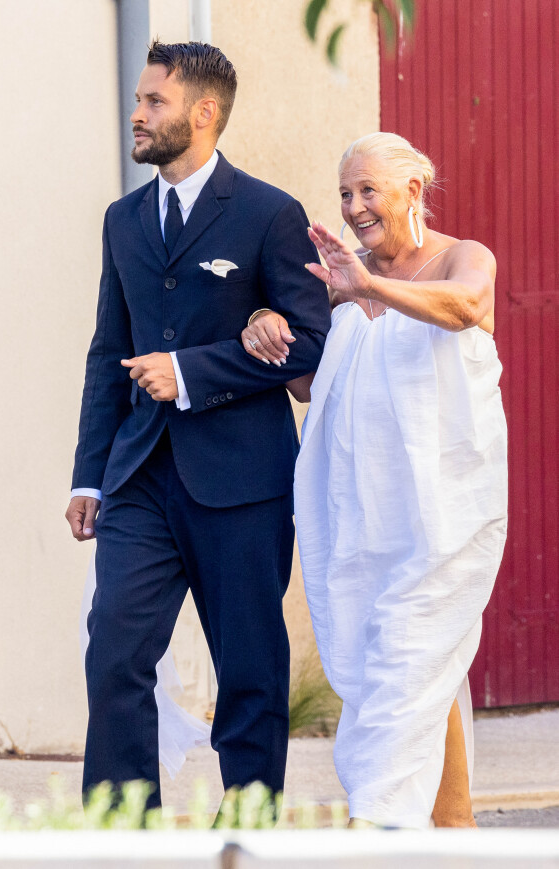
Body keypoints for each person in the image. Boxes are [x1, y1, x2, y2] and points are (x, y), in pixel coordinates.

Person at [65, 40, 331, 813]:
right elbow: (108, 350)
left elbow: (312, 346)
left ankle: (248, 824)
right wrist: (88, 472)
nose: (138, 113)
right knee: (115, 651)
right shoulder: (122, 220)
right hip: (139, 475)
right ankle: (119, 827)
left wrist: (191, 373)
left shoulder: (269, 213)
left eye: (155, 101)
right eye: (140, 99)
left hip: (241, 480)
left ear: (203, 113)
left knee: (249, 668)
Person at [241, 132, 508, 829]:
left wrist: (369, 287)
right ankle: (454, 828)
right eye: (345, 193)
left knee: (407, 663)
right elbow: (316, 385)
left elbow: (467, 307)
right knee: (414, 669)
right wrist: (267, 330)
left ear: (413, 191)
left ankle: (374, 832)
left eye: (368, 190)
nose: (355, 206)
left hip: (441, 518)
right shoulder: (342, 280)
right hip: (363, 521)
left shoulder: (459, 256)